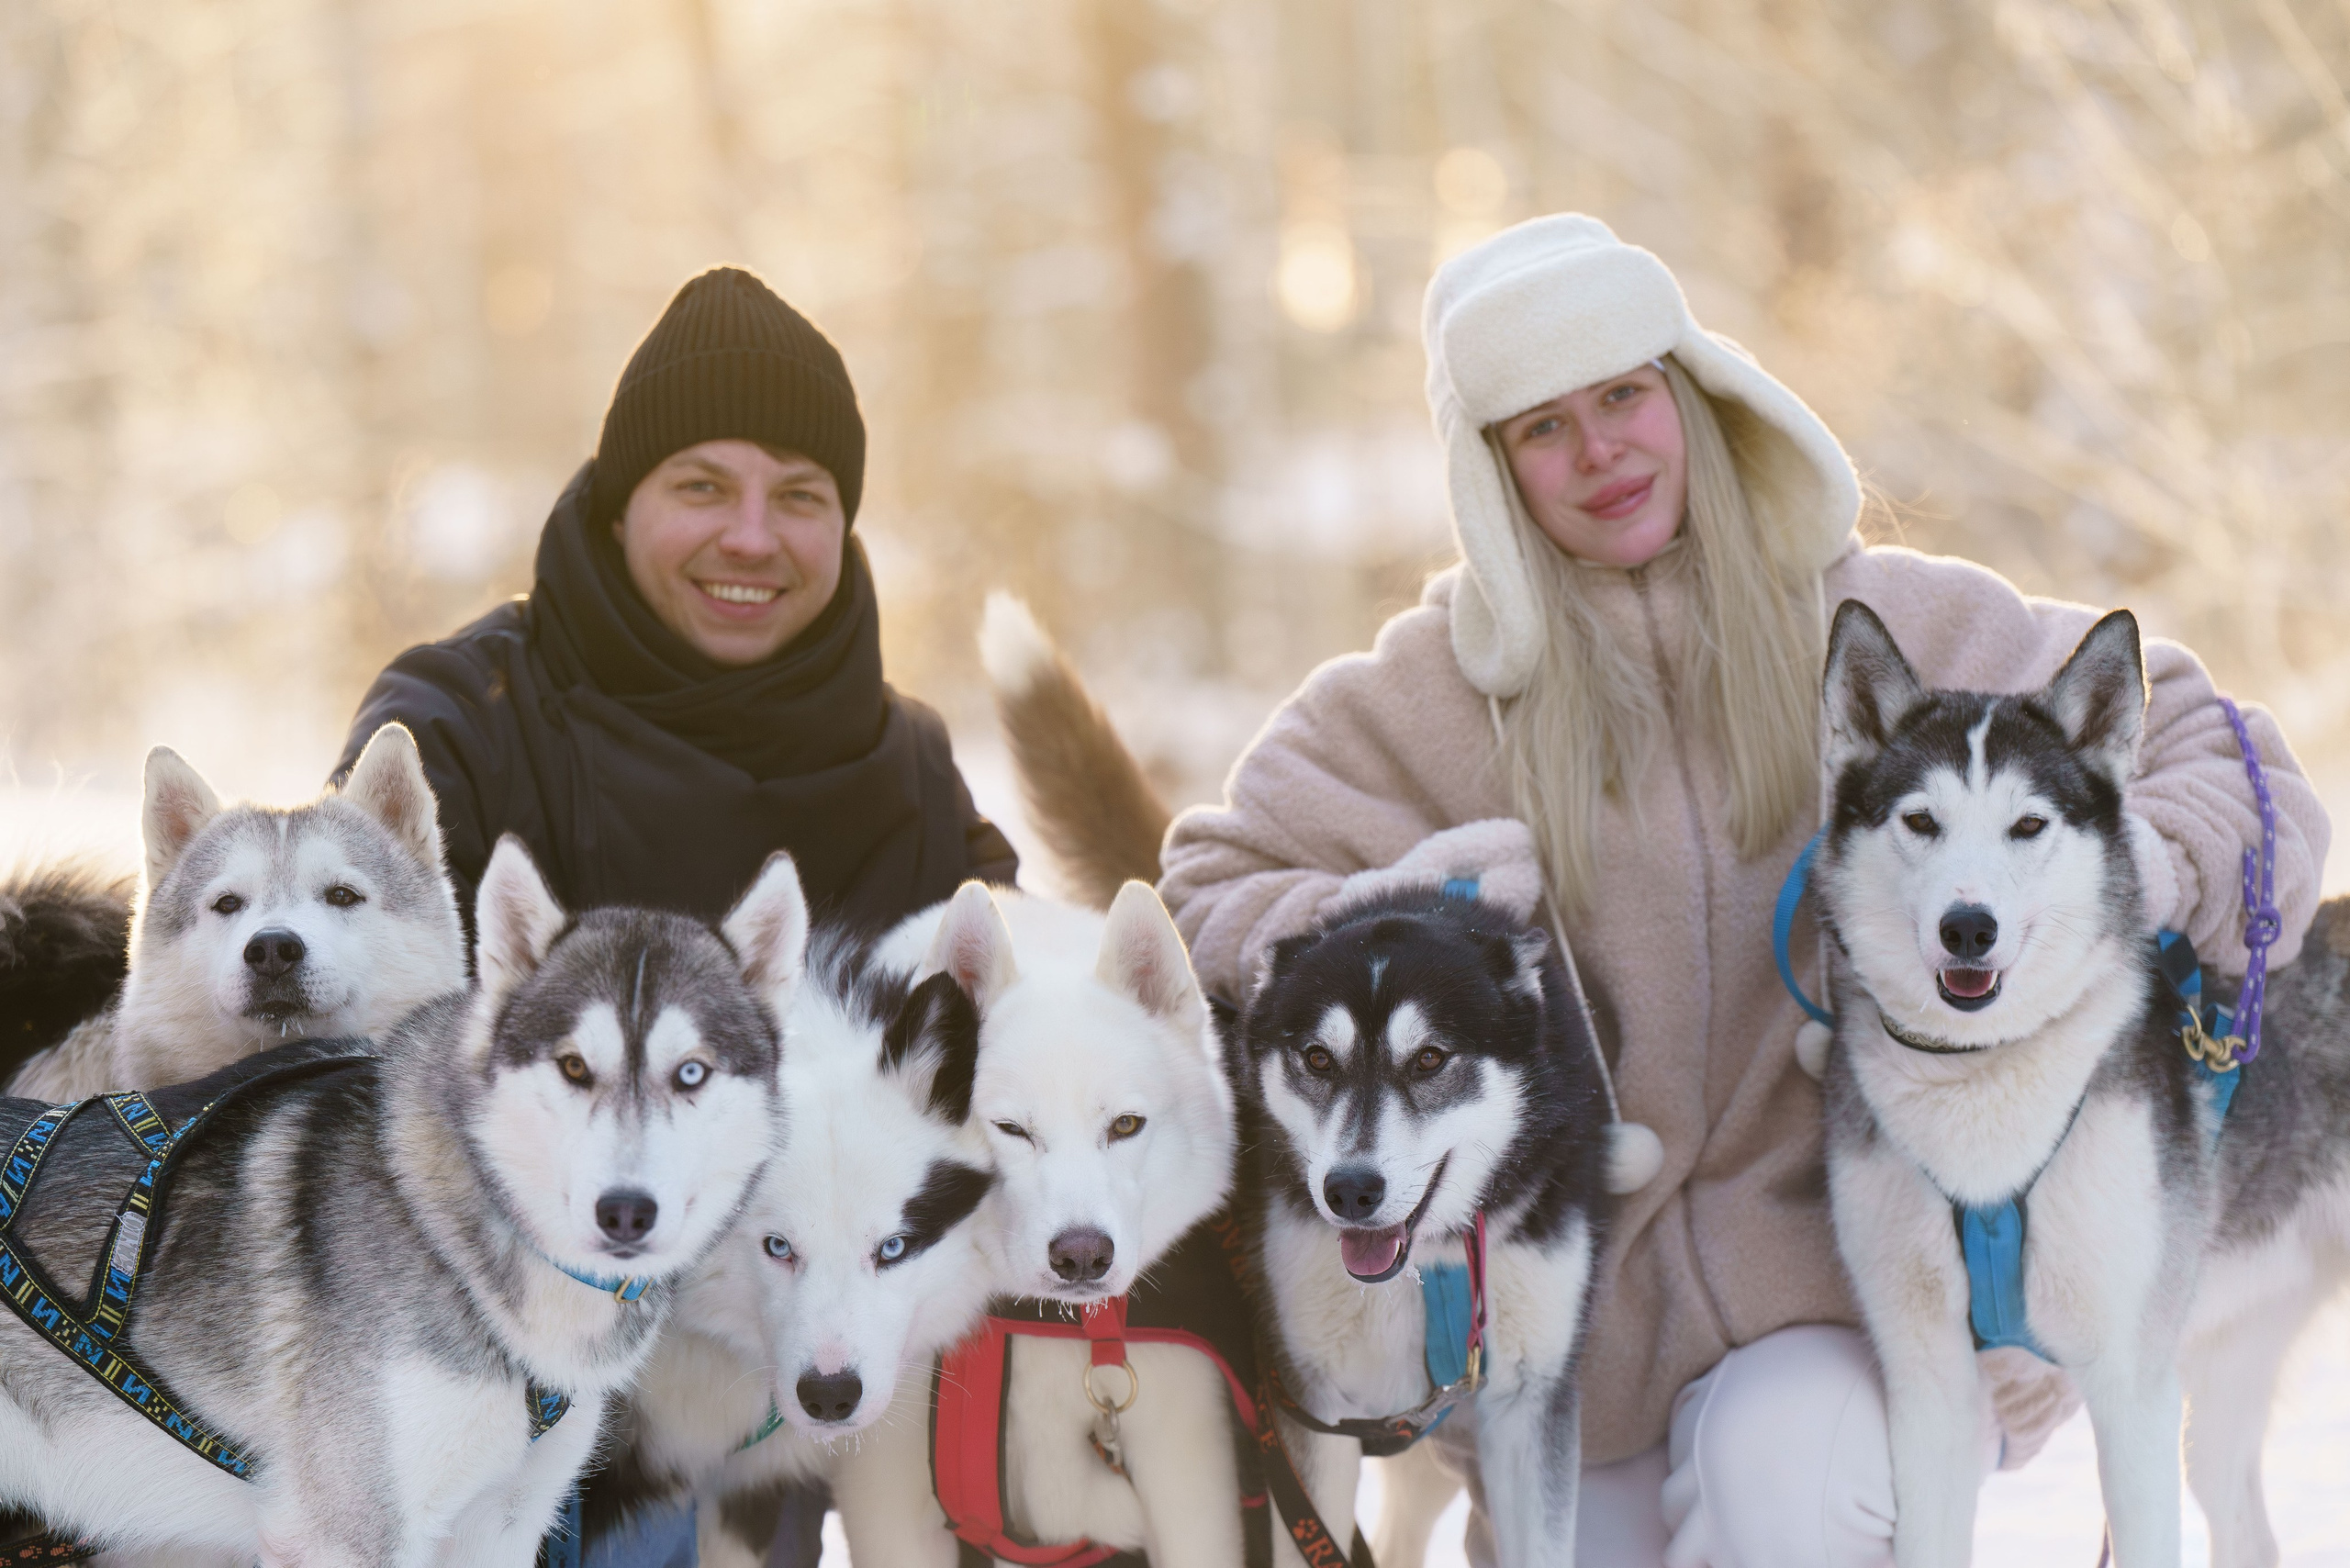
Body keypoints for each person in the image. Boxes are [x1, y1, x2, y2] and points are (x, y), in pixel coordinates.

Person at [1156, 215, 2331, 1566]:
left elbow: (2220, 748)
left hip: (1842, 1309)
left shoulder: (1881, 626)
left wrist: (2139, 865)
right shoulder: (1423, 697)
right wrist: (1415, 908)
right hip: (1568, 1342)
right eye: (1541, 428)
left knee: (1790, 1487)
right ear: (1490, 476)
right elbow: (1212, 893)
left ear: (1694, 397)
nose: (1599, 450)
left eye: (1622, 396)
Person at [334, 265, 1014, 1564]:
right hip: (520, 1384)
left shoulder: (907, 766)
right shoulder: (463, 722)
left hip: (831, 1363)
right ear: (619, 499)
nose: (750, 537)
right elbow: (351, 1049)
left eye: (799, 497)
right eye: (702, 486)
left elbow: (1021, 1041)